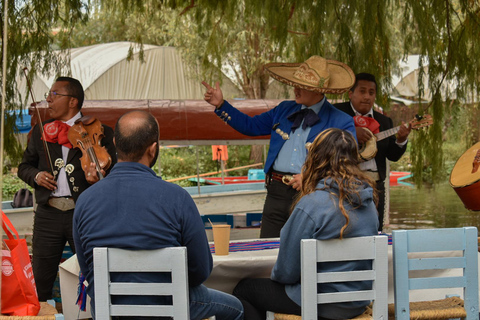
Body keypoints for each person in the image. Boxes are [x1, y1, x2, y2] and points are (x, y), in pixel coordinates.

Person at [73, 110, 244, 320]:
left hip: (108, 308)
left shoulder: (85, 201)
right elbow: (200, 270)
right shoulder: (177, 198)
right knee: (236, 308)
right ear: (153, 150)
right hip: (168, 305)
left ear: (116, 143)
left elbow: (87, 267)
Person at [203, 55, 357, 238]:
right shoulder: (283, 109)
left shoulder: (342, 121)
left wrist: (311, 178)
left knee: (302, 253)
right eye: (295, 83)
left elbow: (345, 166)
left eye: (302, 85)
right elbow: (250, 126)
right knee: (267, 250)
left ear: (318, 90)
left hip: (311, 195)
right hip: (275, 193)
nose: (295, 89)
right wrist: (221, 105)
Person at [232, 128, 379, 320]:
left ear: (316, 159)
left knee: (244, 289)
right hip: (357, 303)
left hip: (319, 303)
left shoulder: (312, 204)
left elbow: (286, 273)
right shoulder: (369, 204)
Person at [17, 76, 117, 302]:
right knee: (41, 277)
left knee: (94, 272)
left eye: (54, 94)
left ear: (72, 101)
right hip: (48, 214)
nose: (48, 100)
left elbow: (114, 173)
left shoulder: (101, 132)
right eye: (48, 95)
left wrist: (98, 180)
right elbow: (24, 167)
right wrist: (36, 175)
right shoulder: (40, 130)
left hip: (83, 213)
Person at [334, 73, 411, 231]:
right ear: (350, 93)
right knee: (343, 229)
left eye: (371, 92)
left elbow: (393, 155)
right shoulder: (337, 114)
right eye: (362, 91)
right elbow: (325, 139)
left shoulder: (384, 121)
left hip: (375, 186)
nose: (367, 97)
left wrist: (401, 139)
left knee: (375, 230)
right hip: (343, 183)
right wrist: (352, 133)